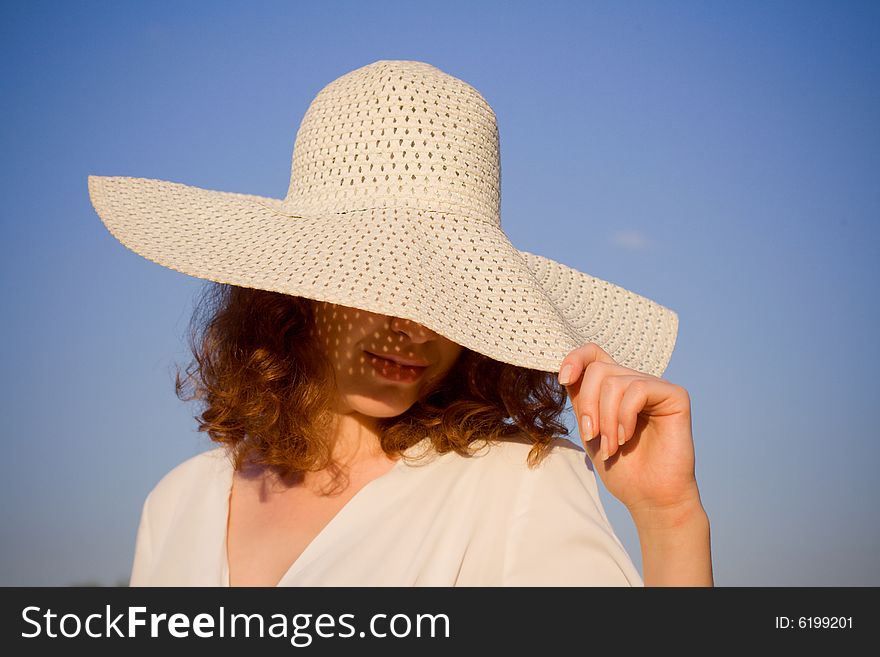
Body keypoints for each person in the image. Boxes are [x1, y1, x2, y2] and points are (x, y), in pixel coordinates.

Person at [87, 59, 712, 587]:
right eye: (377, 281)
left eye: (446, 292)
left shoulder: (517, 487)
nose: (415, 328)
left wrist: (670, 517)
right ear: (297, 291)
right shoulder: (178, 504)